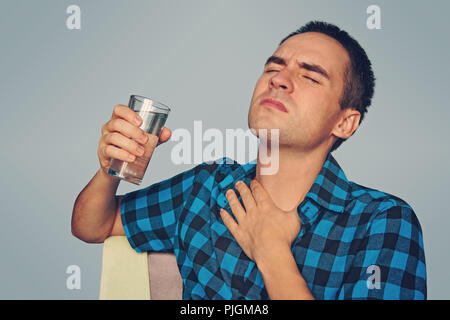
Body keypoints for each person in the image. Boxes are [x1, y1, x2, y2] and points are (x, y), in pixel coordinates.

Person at [72, 21, 426, 300]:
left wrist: (272, 251)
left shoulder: (384, 221)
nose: (280, 80)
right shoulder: (204, 189)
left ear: (345, 122)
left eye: (309, 76)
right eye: (274, 66)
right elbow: (92, 225)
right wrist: (111, 169)